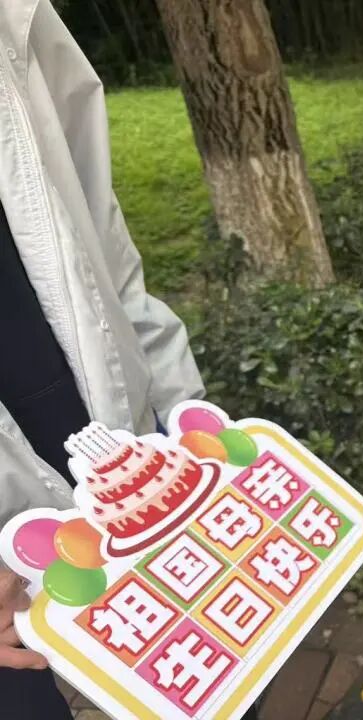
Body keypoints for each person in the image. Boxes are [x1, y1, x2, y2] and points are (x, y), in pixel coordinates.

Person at [0, 1, 207, 717]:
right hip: (10, 616)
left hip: (135, 487)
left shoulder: (16, 20)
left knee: (206, 684)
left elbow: (107, 251)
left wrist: (186, 423)